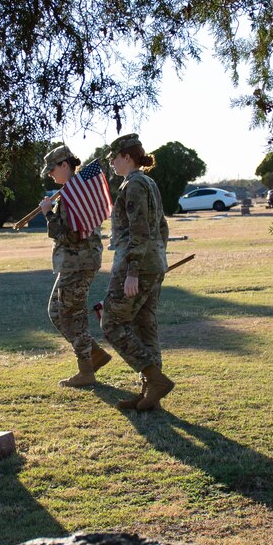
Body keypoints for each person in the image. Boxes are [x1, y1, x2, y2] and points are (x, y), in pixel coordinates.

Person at [100, 133, 173, 412]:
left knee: (112, 323)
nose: (112, 164)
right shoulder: (149, 183)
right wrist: (158, 257)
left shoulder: (133, 185)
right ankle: (149, 393)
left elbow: (139, 229)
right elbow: (162, 227)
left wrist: (132, 270)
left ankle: (155, 380)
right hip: (153, 263)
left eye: (114, 159)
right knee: (144, 324)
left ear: (126, 157)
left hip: (138, 267)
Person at [37, 144, 114, 387]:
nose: (51, 174)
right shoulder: (69, 193)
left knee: (73, 316)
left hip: (78, 263)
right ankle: (94, 354)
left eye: (52, 169)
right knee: (57, 312)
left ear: (65, 165)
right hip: (73, 263)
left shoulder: (73, 195)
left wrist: (48, 214)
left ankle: (86, 370)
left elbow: (71, 235)